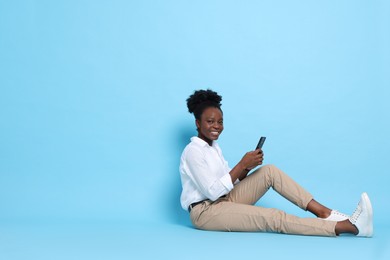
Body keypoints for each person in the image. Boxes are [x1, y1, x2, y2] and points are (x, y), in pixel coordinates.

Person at [179, 89, 373, 237]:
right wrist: (241, 164)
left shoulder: (214, 148)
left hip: (224, 199)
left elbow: (228, 185)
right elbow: (212, 192)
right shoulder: (193, 152)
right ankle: (348, 227)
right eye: (210, 121)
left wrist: (247, 168)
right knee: (272, 217)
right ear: (197, 123)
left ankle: (324, 212)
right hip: (206, 211)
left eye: (220, 122)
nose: (216, 126)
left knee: (269, 171)